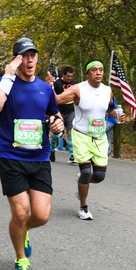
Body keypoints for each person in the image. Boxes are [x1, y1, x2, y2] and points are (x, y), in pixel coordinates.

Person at [0, 38, 64, 270]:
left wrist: (58, 124)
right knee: (20, 213)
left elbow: (54, 113)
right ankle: (21, 259)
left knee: (40, 216)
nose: (29, 60)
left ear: (37, 58)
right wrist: (8, 76)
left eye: (32, 55)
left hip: (39, 157)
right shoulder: (6, 83)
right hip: (11, 155)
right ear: (16, 59)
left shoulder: (44, 88)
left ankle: (24, 231)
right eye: (23, 56)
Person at [55, 60, 112, 220]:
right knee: (86, 172)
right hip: (81, 135)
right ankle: (83, 206)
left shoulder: (107, 90)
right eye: (94, 70)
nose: (99, 72)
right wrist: (50, 87)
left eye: (101, 69)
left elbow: (111, 108)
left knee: (99, 176)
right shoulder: (77, 89)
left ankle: (82, 183)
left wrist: (117, 115)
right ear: (88, 73)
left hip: (99, 137)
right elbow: (58, 100)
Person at [53, 66, 76, 162]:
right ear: (63, 75)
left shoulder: (74, 84)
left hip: (71, 111)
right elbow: (54, 97)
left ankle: (72, 154)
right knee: (58, 133)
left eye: (71, 76)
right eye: (68, 76)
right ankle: (51, 149)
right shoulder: (57, 83)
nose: (69, 78)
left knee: (71, 132)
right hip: (60, 111)